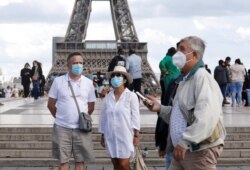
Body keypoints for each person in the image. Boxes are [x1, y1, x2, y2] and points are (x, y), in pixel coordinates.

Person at [143, 36, 226, 170]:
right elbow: (180, 115)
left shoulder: (203, 78)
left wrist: (185, 141)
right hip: (182, 149)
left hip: (198, 152)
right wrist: (160, 108)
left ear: (194, 55)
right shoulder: (185, 80)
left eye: (182, 49)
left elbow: (206, 118)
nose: (177, 54)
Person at [47, 52, 96, 170]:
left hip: (81, 128)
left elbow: (91, 105)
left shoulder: (89, 83)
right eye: (75, 63)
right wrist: (61, 117)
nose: (78, 65)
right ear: (68, 65)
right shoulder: (58, 81)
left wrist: (82, 119)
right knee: (63, 162)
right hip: (62, 127)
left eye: (80, 63)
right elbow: (51, 105)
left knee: (80, 162)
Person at [99, 66, 140, 170]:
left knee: (124, 164)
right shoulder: (107, 98)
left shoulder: (131, 96)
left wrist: (136, 136)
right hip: (111, 135)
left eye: (118, 75)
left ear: (125, 79)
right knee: (116, 165)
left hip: (125, 135)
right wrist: (102, 136)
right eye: (113, 76)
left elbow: (136, 116)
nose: (115, 78)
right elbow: (103, 117)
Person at [158, 46, 180, 170]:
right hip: (173, 78)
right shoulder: (172, 59)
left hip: (170, 78)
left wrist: (165, 71)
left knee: (168, 96)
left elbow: (161, 64)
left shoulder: (166, 58)